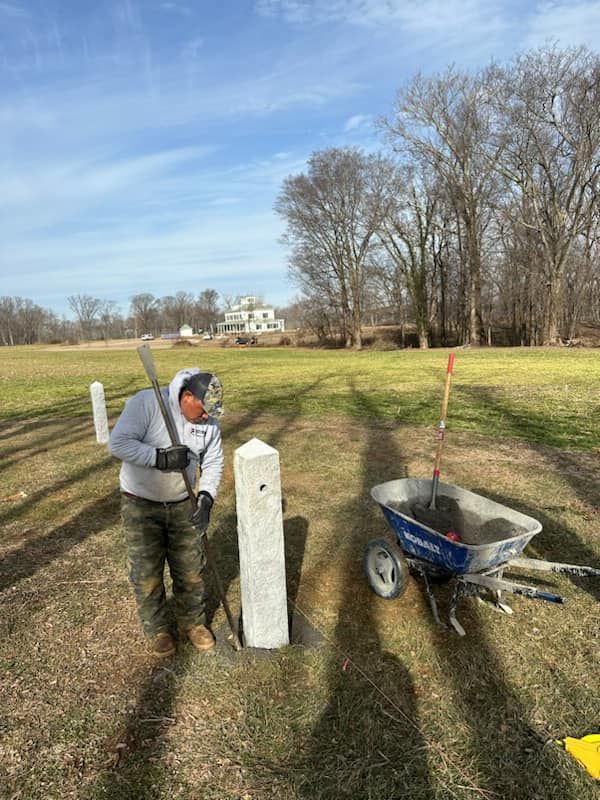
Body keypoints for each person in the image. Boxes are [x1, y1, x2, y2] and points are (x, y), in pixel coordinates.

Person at [109, 367, 224, 657]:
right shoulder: (147, 403)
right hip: (141, 502)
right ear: (186, 397)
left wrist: (207, 497)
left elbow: (213, 461)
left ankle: (193, 622)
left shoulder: (208, 421)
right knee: (146, 572)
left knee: (191, 569)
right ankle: (158, 628)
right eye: (202, 410)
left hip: (183, 501)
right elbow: (119, 443)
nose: (207, 417)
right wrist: (159, 458)